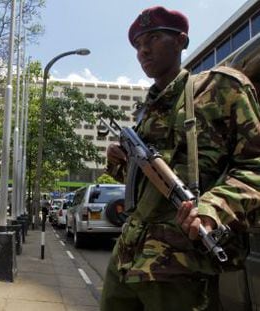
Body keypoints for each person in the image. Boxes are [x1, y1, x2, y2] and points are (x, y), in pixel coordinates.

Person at [100, 6, 260, 311]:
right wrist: (119, 162)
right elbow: (146, 186)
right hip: (127, 257)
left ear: (181, 41)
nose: (143, 49)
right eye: (137, 44)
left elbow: (254, 166)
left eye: (154, 37)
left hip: (182, 264)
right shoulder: (145, 111)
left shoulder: (222, 88)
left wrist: (214, 208)